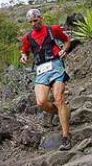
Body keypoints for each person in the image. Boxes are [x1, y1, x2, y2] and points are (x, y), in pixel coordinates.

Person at [19, 9, 72, 151]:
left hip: (56, 66)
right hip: (41, 71)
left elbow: (66, 41)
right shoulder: (27, 37)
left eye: (35, 20)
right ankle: (63, 114)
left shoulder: (52, 30)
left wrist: (64, 50)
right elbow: (24, 51)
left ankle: (66, 137)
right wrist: (24, 57)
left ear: (41, 18)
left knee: (58, 99)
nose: (33, 24)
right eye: (30, 22)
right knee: (41, 102)